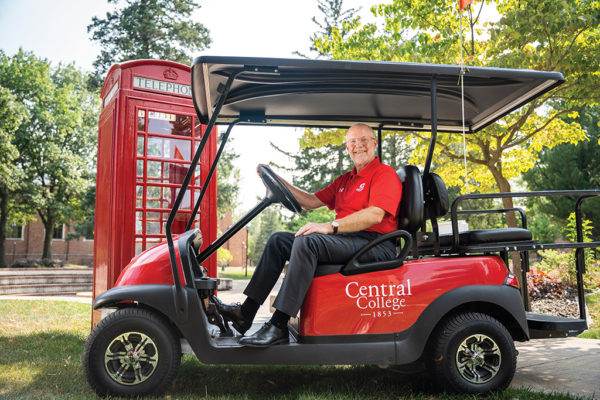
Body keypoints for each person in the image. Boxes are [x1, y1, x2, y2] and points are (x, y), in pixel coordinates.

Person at [216, 123, 403, 347]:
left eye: (363, 140)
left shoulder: (384, 174)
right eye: (353, 141)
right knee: (279, 240)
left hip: (375, 244)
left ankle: (278, 325)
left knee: (308, 242)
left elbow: (375, 215)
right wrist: (276, 179)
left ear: (374, 143)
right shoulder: (346, 180)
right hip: (349, 240)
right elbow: (311, 201)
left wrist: (330, 226)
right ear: (347, 147)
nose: (358, 146)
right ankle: (246, 313)